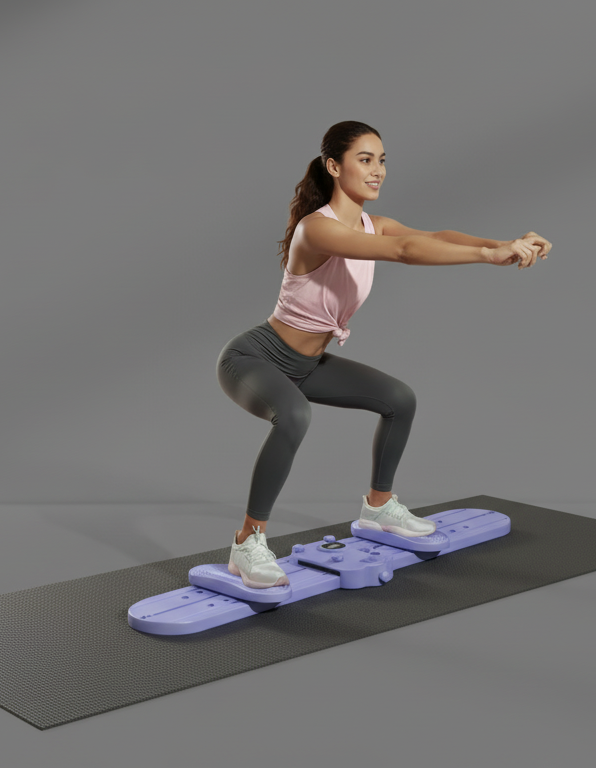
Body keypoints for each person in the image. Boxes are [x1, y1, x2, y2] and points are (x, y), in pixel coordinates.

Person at [215, 120, 551, 589]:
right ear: (334, 167)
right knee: (292, 416)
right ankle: (247, 544)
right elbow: (407, 251)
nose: (378, 171)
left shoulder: (375, 224)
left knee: (399, 398)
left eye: (382, 160)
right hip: (254, 359)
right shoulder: (317, 230)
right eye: (365, 160)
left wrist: (504, 245)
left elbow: (436, 235)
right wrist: (489, 257)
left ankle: (377, 508)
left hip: (306, 366)